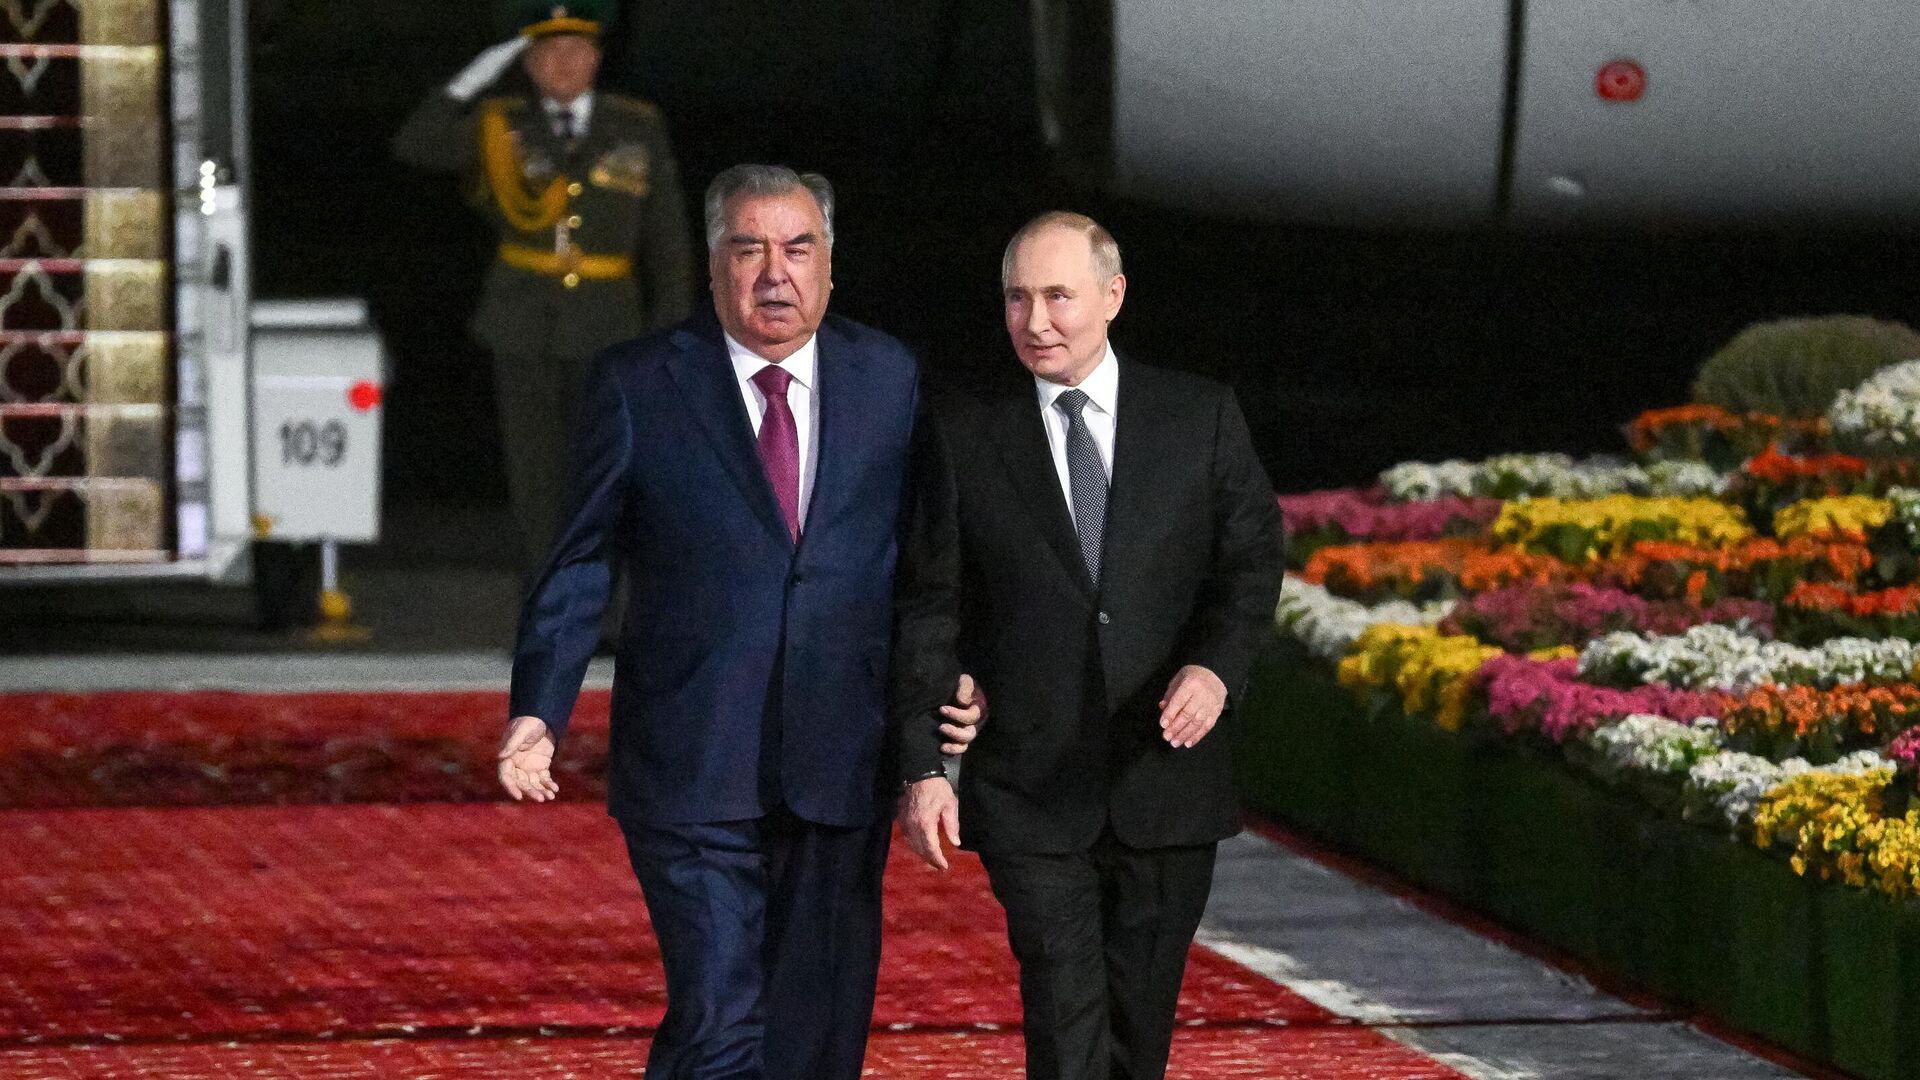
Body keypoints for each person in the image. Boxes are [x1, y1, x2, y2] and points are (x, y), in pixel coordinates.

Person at [495, 164, 980, 1080]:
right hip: (692, 758)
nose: (774, 273)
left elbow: (929, 561)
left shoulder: (888, 377)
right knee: (720, 1021)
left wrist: (954, 677)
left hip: (841, 756)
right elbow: (580, 560)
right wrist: (539, 709)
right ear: (713, 263)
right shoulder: (639, 383)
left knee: (817, 1037)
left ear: (829, 263)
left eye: (798, 248)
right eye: (749, 248)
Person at [891, 212, 1284, 1080]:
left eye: (1058, 296)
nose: (1036, 321)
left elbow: (1252, 560)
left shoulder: (1198, 416)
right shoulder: (964, 431)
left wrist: (1216, 668)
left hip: (1165, 782)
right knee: (1066, 1020)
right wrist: (924, 762)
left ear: (1112, 296)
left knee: (1138, 1035)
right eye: (1017, 299)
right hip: (1029, 786)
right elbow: (930, 602)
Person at [391, 0, 695, 573]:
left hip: (609, 323)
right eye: (549, 52)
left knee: (605, 465)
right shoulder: (500, 125)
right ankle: (548, 593)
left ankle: (600, 593)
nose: (564, 62)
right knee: (534, 473)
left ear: (597, 58)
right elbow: (416, 143)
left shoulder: (637, 126)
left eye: (577, 49)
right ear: (527, 64)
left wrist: (669, 330)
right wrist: (473, 78)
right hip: (522, 321)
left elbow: (668, 238)